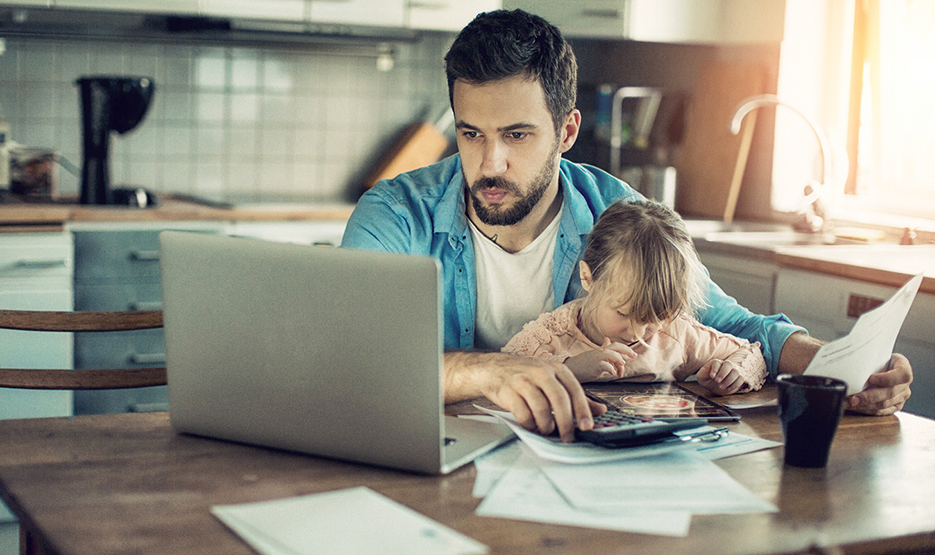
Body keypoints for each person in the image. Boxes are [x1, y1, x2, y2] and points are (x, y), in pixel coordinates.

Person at [341, 9, 913, 441]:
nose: (490, 164)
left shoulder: (618, 213)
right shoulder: (394, 215)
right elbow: (353, 359)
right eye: (471, 134)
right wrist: (491, 373)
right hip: (436, 455)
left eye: (517, 135)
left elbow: (732, 323)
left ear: (566, 133)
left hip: (578, 463)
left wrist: (842, 369)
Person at [502, 199, 768, 396]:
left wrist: (732, 373)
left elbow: (749, 352)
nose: (639, 332)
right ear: (588, 278)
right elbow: (503, 374)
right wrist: (571, 369)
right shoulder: (552, 335)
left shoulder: (677, 334)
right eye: (624, 313)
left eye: (656, 316)